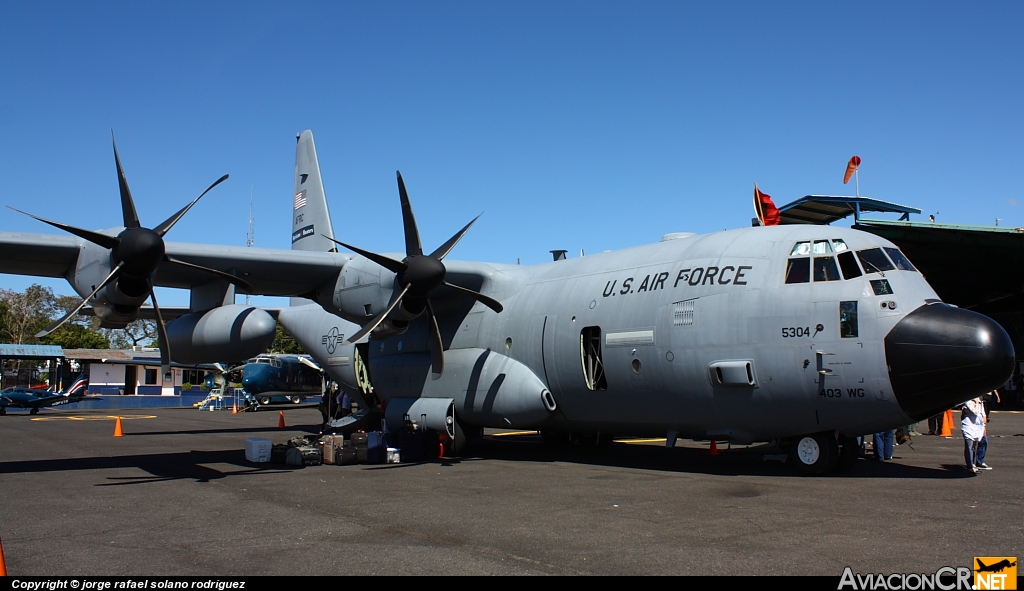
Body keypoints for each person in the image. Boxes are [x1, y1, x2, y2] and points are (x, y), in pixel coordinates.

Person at [960, 397, 986, 474]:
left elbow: (982, 413)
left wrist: (984, 425)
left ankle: (973, 464)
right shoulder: (968, 401)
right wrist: (976, 403)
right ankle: (970, 466)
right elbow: (975, 412)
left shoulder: (979, 401)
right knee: (969, 446)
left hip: (977, 426)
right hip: (969, 425)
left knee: (974, 447)